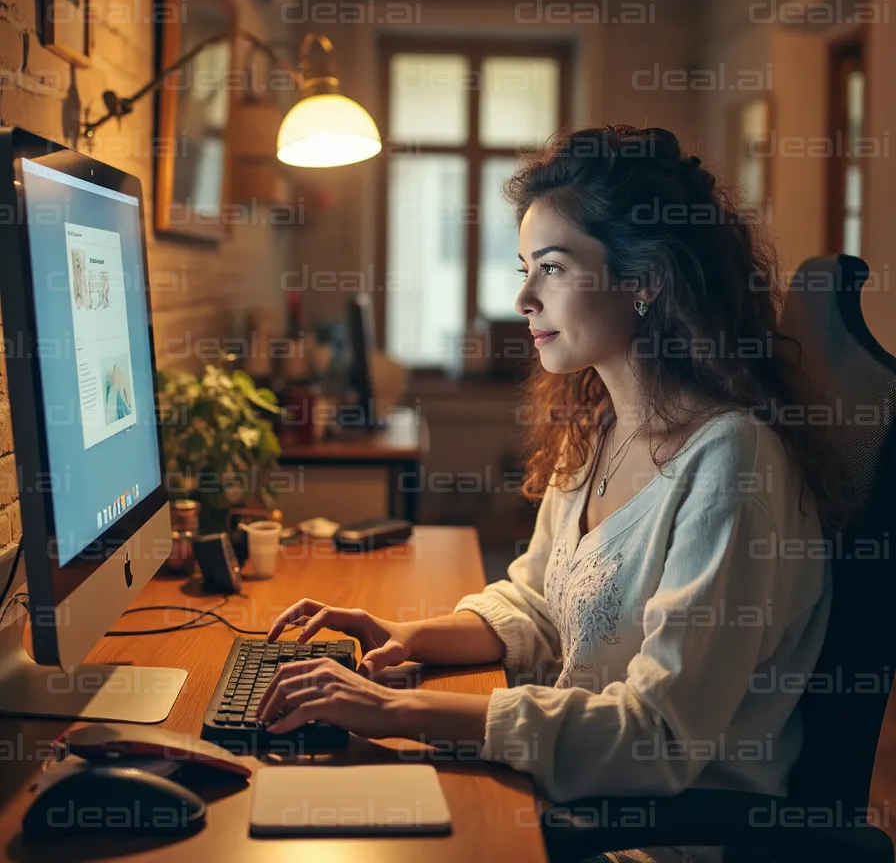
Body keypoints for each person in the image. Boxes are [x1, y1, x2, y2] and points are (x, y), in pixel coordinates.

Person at [255, 125, 851, 863]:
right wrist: (407, 636)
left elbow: (657, 739)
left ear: (646, 279)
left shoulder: (733, 465)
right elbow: (540, 598)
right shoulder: (598, 422)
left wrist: (403, 709)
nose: (523, 297)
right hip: (565, 800)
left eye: (552, 268)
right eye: (524, 267)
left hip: (647, 839)